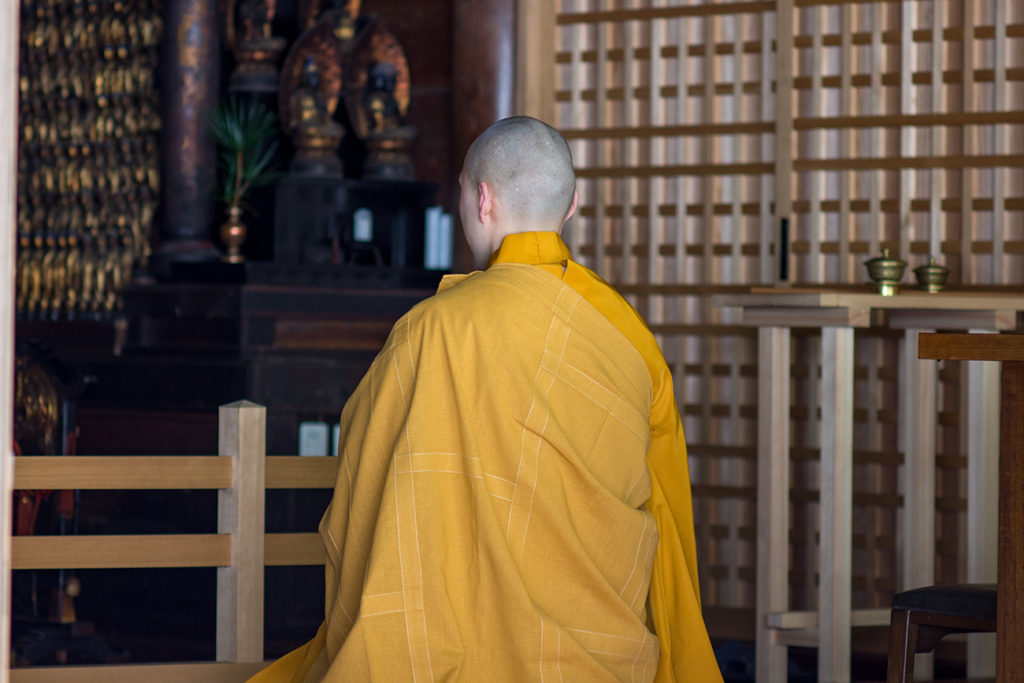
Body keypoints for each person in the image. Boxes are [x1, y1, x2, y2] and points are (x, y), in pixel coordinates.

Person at [249, 116, 722, 682]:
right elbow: (665, 511)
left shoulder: (433, 329)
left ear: (481, 199)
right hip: (597, 660)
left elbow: (365, 469)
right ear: (572, 206)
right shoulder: (629, 339)